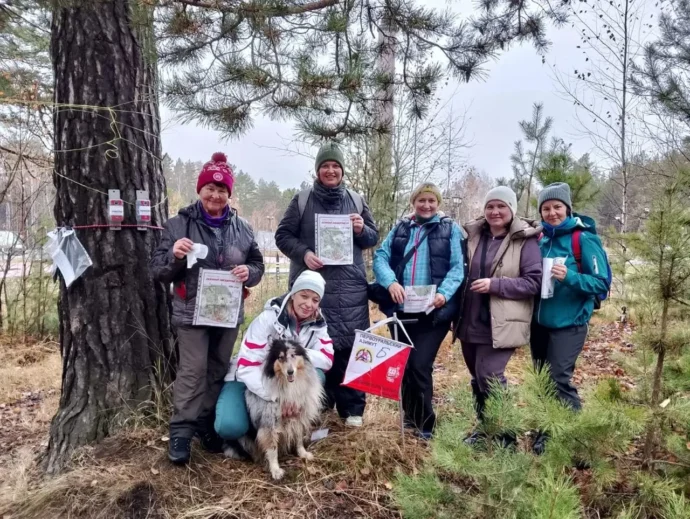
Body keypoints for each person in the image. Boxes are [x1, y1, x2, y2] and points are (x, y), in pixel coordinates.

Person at [150, 152, 265, 465]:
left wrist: (249, 274)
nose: (216, 195)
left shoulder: (242, 228)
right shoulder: (178, 225)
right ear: (200, 191)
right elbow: (158, 271)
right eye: (210, 189)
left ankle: (206, 423)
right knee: (192, 371)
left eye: (222, 190)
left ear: (230, 194)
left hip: (227, 314)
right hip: (191, 314)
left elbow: (257, 263)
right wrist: (174, 255)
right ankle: (181, 432)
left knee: (216, 369)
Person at [275, 142, 379, 427]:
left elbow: (372, 238)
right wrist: (304, 254)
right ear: (318, 170)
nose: (330, 171)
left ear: (342, 170)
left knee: (350, 347)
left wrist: (361, 229)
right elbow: (282, 236)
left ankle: (353, 410)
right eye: (325, 166)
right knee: (313, 345)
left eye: (335, 166)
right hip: (312, 287)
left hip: (350, 289)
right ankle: (317, 404)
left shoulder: (356, 200)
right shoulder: (302, 200)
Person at [372, 182, 465, 439]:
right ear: (414, 202)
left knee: (420, 365)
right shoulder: (401, 228)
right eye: (421, 200)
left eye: (431, 201)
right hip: (401, 311)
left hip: (432, 313)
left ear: (438, 204)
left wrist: (443, 294)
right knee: (404, 365)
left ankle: (426, 425)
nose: (426, 205)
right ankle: (410, 418)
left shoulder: (450, 230)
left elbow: (458, 267)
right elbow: (380, 256)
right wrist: (390, 282)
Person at [454, 186, 542, 447]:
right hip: (469, 319)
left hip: (502, 323)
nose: (495, 212)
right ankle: (485, 430)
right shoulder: (472, 235)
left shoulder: (524, 240)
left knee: (490, 375)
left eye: (501, 206)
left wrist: (496, 285)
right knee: (477, 377)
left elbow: (533, 282)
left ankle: (506, 435)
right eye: (490, 206)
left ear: (512, 209)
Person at [531, 182, 610, 454]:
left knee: (558, 380)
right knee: (542, 379)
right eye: (546, 208)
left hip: (570, 324)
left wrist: (571, 277)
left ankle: (577, 440)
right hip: (539, 323)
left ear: (567, 208)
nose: (552, 213)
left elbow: (601, 284)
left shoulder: (582, 239)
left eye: (557, 207)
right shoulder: (539, 238)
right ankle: (548, 430)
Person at [215, 271, 334, 440]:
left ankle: (293, 428)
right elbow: (247, 367)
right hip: (249, 377)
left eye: (315, 300)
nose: (309, 304)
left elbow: (327, 359)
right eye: (304, 296)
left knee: (318, 374)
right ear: (293, 294)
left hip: (285, 380)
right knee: (230, 427)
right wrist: (278, 399)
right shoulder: (268, 319)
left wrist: (296, 351)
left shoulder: (318, 322)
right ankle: (255, 426)